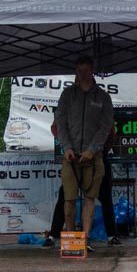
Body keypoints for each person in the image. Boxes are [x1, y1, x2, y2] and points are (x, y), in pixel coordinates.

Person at [56, 57, 114, 244]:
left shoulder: (103, 97)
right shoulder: (67, 95)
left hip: (93, 158)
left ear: (92, 71)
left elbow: (105, 126)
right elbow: (60, 123)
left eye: (86, 71)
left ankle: (85, 239)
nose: (82, 75)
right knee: (69, 199)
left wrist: (92, 149)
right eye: (79, 71)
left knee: (90, 198)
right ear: (76, 72)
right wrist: (66, 147)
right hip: (71, 157)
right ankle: (71, 239)